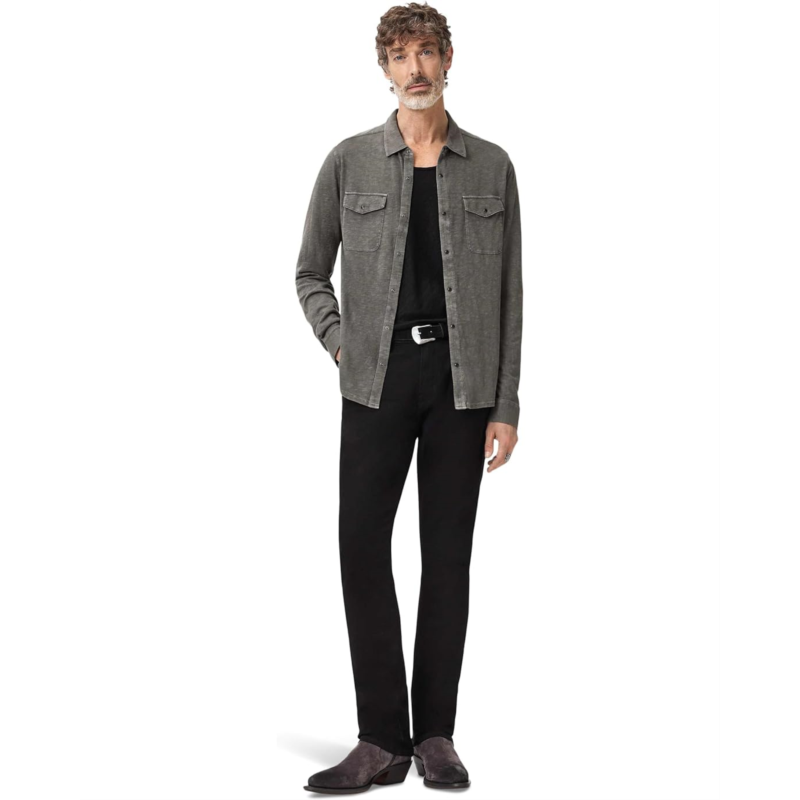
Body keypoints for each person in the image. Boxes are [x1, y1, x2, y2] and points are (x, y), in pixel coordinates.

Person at [295, 2, 523, 792]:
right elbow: (309, 272)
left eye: (426, 52)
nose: (415, 69)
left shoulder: (492, 166)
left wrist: (506, 404)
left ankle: (435, 737)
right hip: (375, 379)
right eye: (400, 56)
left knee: (447, 558)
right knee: (361, 545)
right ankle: (381, 739)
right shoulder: (349, 161)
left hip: (463, 382)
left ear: (448, 60)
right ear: (384, 68)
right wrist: (340, 342)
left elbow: (510, 295)